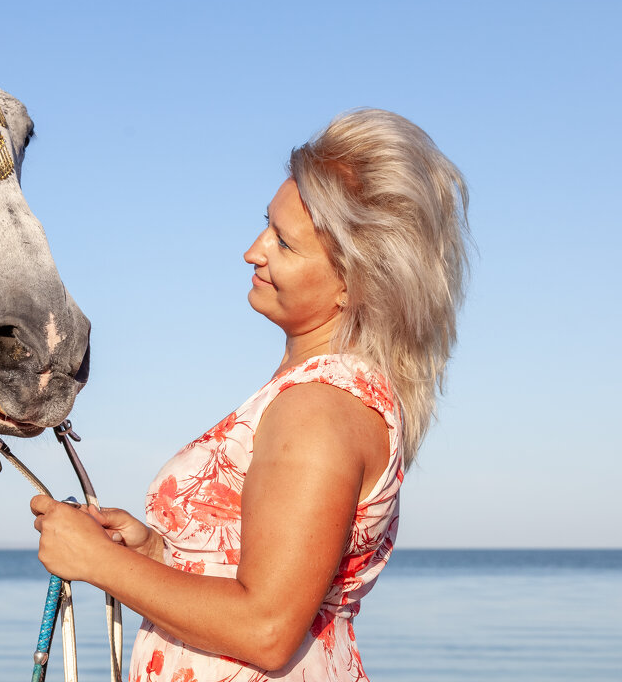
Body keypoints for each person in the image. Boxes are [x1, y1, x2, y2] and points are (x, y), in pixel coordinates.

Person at [31, 108, 471, 681]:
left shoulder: (317, 409)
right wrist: (156, 556)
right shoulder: (317, 393)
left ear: (355, 282)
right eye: (267, 224)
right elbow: (258, 584)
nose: (253, 250)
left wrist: (99, 563)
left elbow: (267, 629)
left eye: (284, 244)